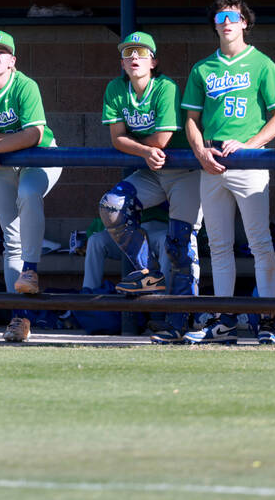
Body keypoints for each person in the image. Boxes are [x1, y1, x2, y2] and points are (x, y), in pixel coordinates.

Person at [181, 0, 275, 345]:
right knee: (219, 244)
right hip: (211, 164)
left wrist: (251, 145)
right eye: (220, 17)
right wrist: (199, 150)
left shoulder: (262, 64)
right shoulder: (203, 68)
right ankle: (223, 318)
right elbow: (192, 119)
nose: (226, 22)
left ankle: (268, 318)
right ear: (214, 24)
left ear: (244, 22)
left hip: (249, 163)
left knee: (260, 242)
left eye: (233, 16)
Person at [97, 31, 203, 343]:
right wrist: (142, 151)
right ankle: (148, 274)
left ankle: (181, 323)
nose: (134, 57)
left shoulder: (166, 87)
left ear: (153, 61)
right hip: (152, 169)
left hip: (185, 171)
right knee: (112, 206)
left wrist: (140, 147)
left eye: (142, 52)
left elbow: (162, 141)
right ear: (122, 61)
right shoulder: (116, 88)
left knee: (180, 245)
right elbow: (117, 138)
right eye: (128, 53)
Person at [0, 30, 61, 343]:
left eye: (0, 51)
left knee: (29, 194)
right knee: (11, 241)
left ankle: (30, 269)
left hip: (41, 156)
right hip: (4, 163)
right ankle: (20, 318)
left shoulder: (25, 85)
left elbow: (33, 134)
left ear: (12, 61)